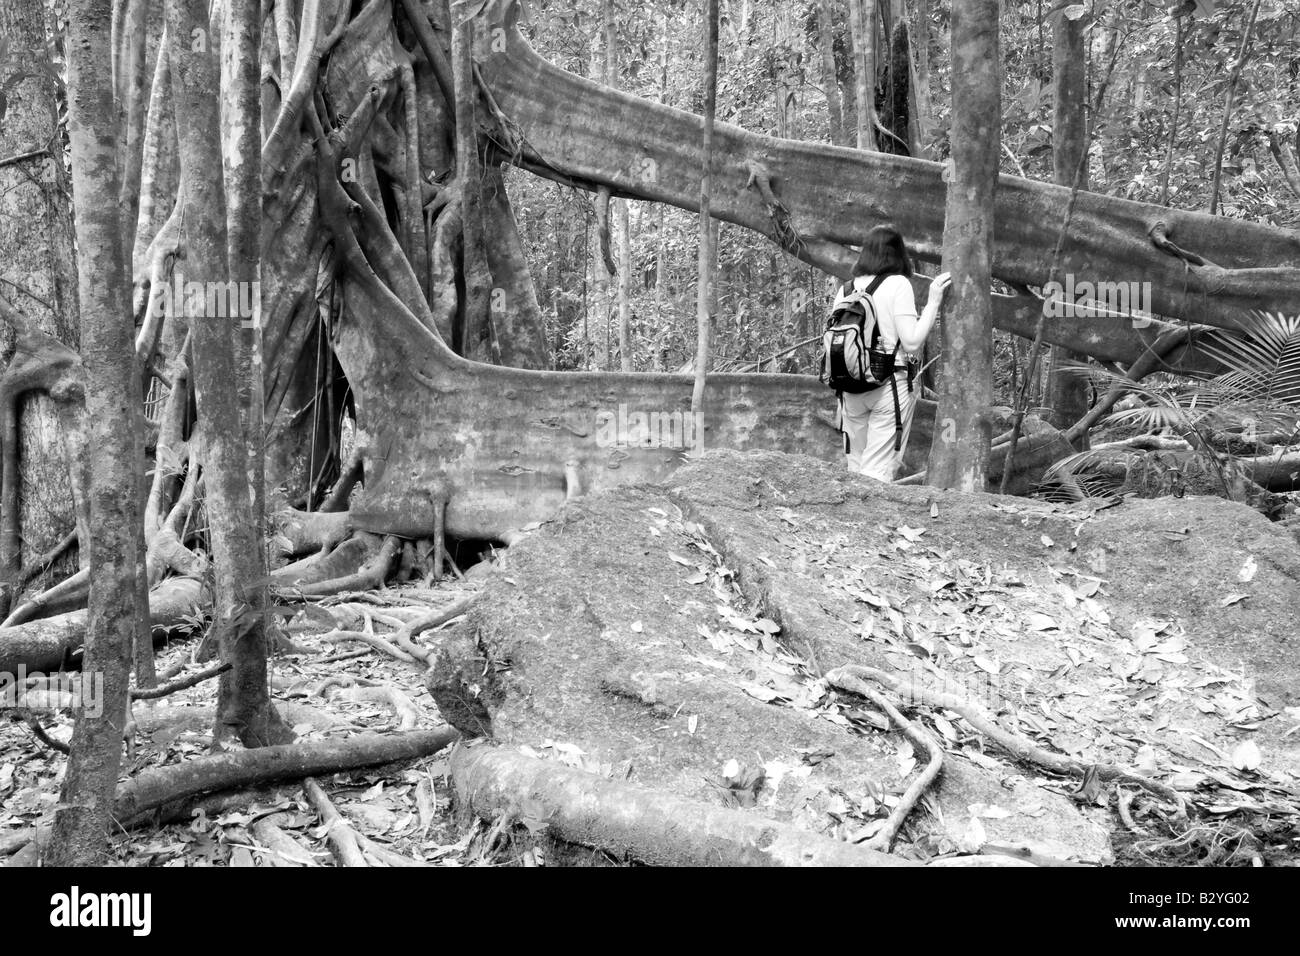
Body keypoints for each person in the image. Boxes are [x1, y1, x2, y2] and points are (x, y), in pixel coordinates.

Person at [834, 225, 950, 481]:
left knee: (856, 466)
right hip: (888, 386)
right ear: (899, 255)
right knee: (877, 472)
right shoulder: (898, 284)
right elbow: (911, 342)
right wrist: (933, 303)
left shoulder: (845, 289)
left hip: (850, 387)